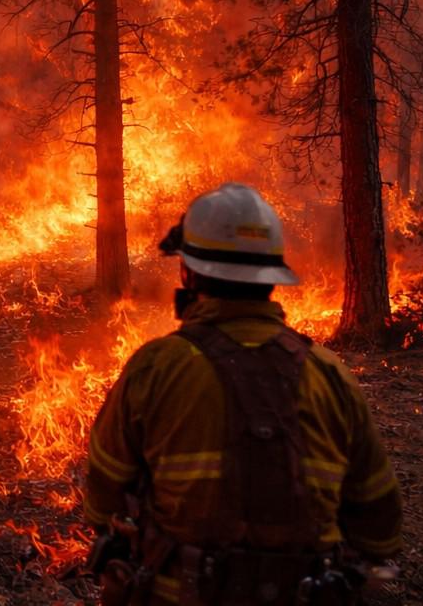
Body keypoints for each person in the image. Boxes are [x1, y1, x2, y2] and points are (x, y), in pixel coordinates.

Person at [83, 182, 402, 605]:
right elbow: (380, 524)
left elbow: (103, 498)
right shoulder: (330, 375)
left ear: (188, 273)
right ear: (272, 277)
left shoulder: (155, 369)